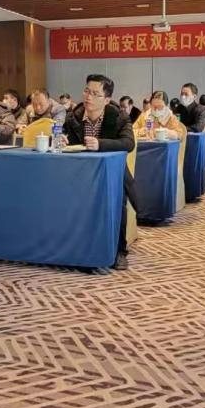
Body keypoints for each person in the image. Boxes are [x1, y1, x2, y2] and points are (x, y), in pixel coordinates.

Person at [63, 73, 137, 269]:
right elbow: (66, 139)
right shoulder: (73, 117)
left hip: (110, 174)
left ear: (107, 99)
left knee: (117, 199)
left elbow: (128, 143)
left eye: (95, 94)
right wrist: (61, 140)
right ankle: (73, 247)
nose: (88, 97)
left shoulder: (119, 117)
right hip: (79, 174)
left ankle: (119, 251)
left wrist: (100, 144)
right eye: (87, 91)